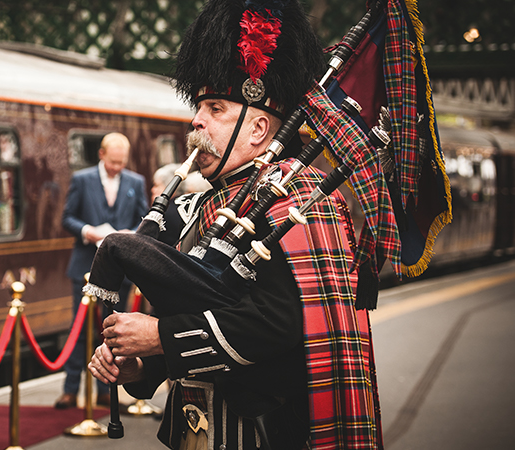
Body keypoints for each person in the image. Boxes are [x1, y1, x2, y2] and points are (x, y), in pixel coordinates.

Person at [88, 1, 382, 449]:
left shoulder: (302, 200)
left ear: (259, 128)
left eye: (215, 107)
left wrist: (159, 338)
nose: (196, 121)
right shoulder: (202, 204)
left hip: (269, 433)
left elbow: (280, 325)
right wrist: (141, 367)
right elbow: (193, 313)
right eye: (199, 106)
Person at [57, 131, 149, 409]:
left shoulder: (136, 181)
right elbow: (67, 218)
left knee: (112, 333)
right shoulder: (82, 180)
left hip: (119, 270)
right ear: (101, 155)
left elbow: (145, 220)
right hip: (85, 265)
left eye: (121, 163)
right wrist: (89, 232)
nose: (117, 168)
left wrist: (128, 235)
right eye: (113, 163)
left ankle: (106, 392)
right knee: (79, 328)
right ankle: (70, 389)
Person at [150, 164, 211, 247]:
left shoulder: (165, 213)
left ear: (170, 187)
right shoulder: (190, 206)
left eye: (157, 185)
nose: (153, 190)